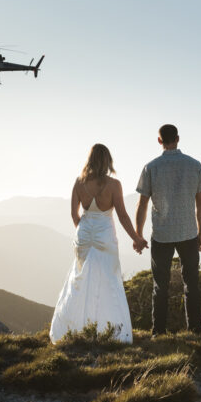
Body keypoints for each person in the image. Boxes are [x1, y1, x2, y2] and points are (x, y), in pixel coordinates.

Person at [50, 144, 148, 344]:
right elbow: (122, 215)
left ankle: (75, 330)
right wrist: (136, 238)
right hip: (104, 234)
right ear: (108, 161)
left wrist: (83, 229)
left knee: (81, 279)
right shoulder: (114, 185)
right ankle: (110, 331)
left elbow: (73, 214)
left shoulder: (79, 183)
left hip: (84, 234)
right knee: (108, 281)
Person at [135, 124, 201, 336]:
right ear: (178, 138)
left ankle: (158, 332)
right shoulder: (195, 165)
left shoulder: (151, 167)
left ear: (159, 141)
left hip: (162, 234)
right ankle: (195, 331)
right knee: (191, 284)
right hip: (188, 233)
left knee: (160, 286)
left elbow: (142, 204)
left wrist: (138, 235)